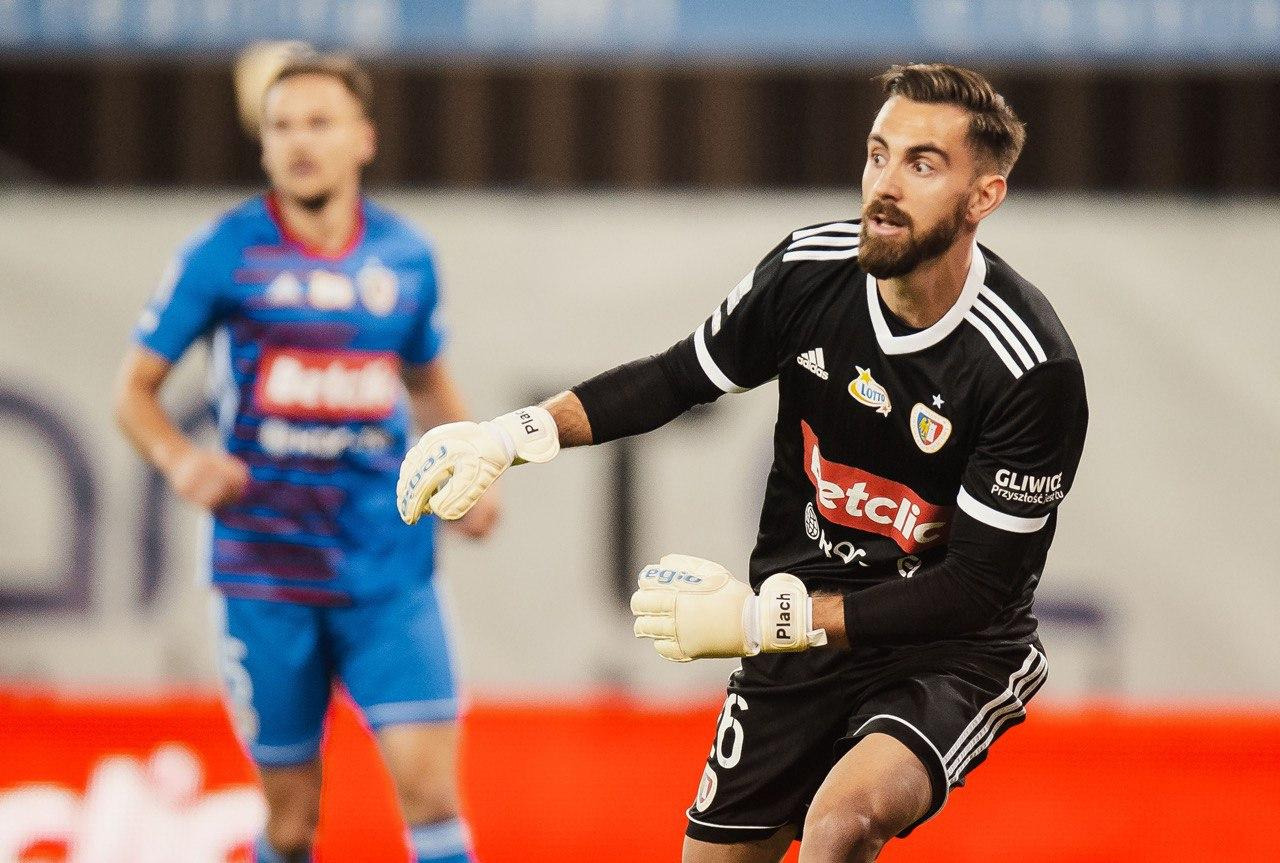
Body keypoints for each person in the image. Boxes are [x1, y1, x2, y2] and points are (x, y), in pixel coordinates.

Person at [397, 63, 1088, 862]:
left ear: (983, 197)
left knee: (840, 822)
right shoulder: (809, 272)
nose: (885, 184)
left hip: (950, 650)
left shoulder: (1028, 368)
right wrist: (509, 436)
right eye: (877, 154)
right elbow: (676, 377)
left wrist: (763, 619)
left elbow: (973, 590)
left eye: (922, 164)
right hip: (800, 628)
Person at [114, 51, 494, 863]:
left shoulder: (405, 256)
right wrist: (181, 461)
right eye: (281, 126)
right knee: (291, 823)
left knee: (432, 799)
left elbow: (425, 379)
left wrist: (478, 464)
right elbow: (134, 393)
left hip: (388, 571)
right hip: (265, 575)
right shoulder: (224, 252)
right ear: (263, 145)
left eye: (319, 123)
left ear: (364, 139)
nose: (299, 141)